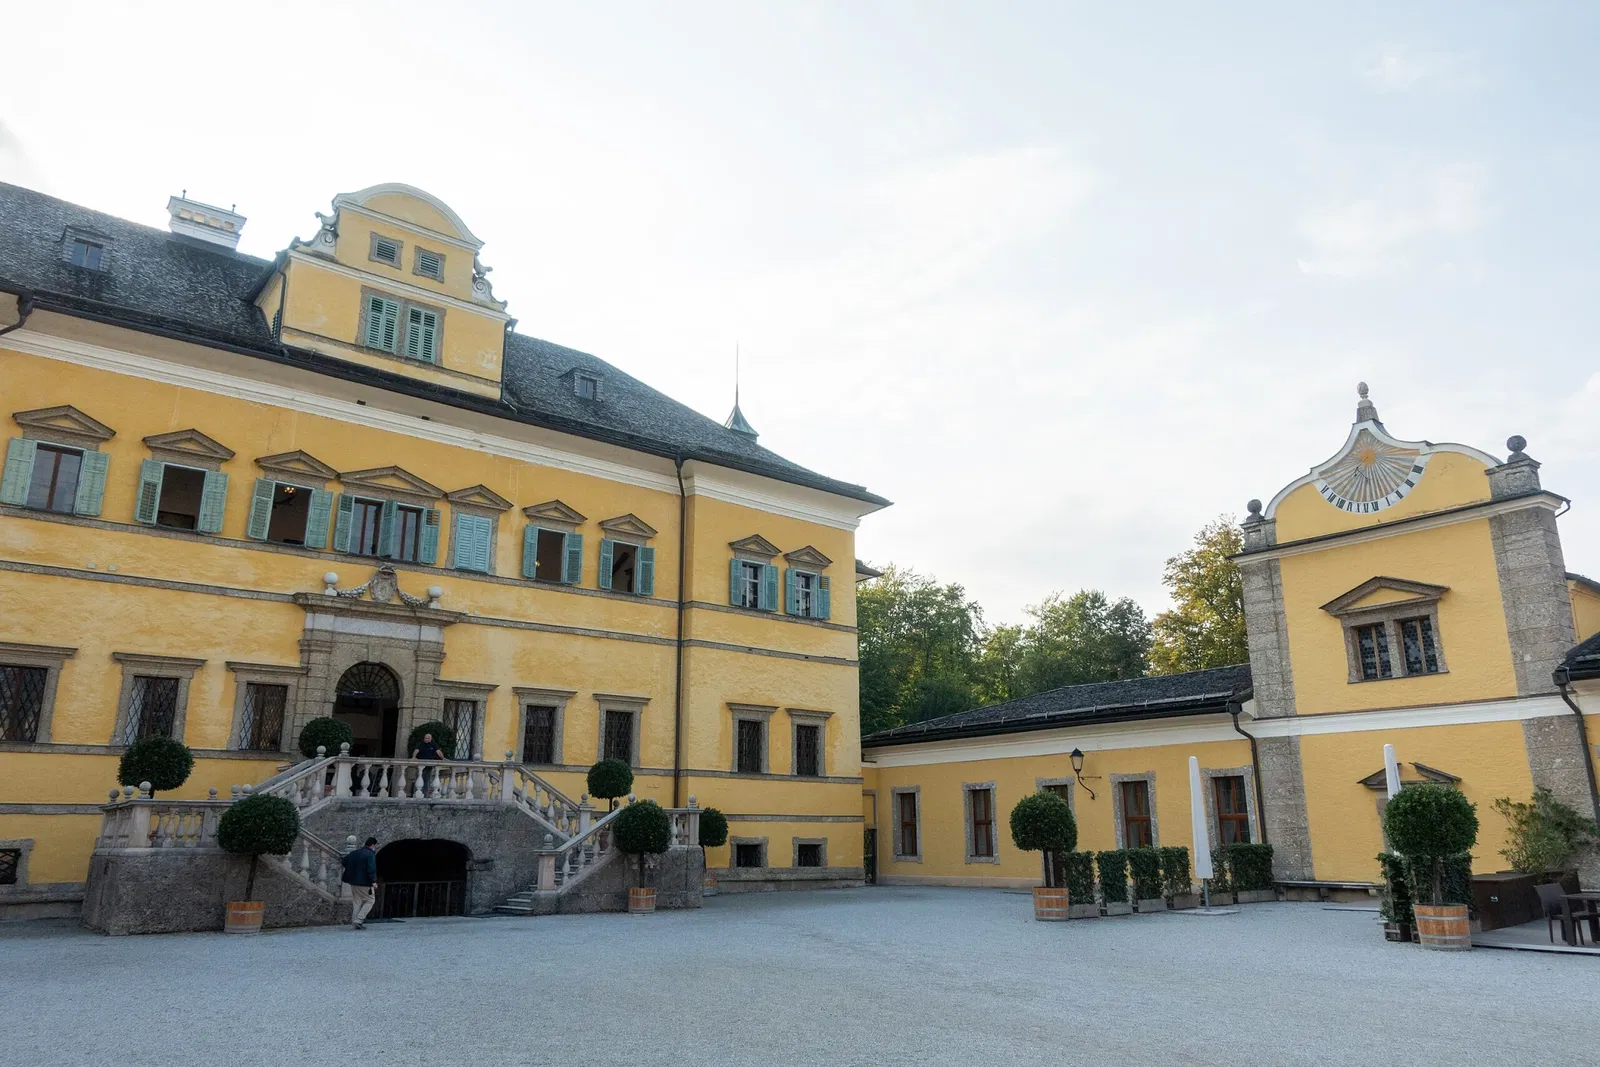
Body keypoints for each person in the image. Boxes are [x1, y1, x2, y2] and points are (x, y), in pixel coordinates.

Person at [342, 836, 378, 930]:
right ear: (373, 845)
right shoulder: (370, 854)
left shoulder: (355, 852)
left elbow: (344, 861)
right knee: (370, 900)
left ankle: (355, 923)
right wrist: (373, 881)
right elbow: (371, 869)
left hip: (353, 882)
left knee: (357, 902)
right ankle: (359, 920)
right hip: (365, 883)